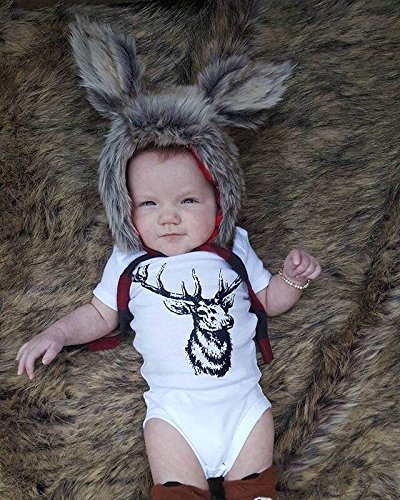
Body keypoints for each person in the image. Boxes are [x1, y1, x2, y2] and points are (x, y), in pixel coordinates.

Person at [16, 17, 321, 500]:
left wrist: (292, 279)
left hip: (243, 407)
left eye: (188, 200)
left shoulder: (231, 249)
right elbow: (100, 314)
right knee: (175, 486)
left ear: (219, 201)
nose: (169, 218)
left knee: (255, 485)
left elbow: (267, 300)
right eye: (149, 204)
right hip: (174, 416)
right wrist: (56, 333)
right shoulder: (131, 260)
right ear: (125, 208)